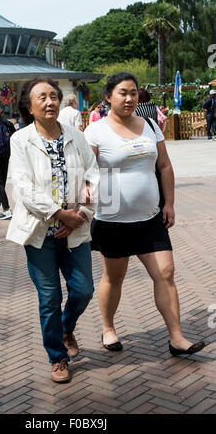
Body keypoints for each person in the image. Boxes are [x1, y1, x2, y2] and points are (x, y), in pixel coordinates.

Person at [84, 72, 205, 357]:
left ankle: (176, 338)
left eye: (134, 93)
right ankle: (108, 327)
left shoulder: (150, 125)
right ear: (108, 97)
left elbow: (164, 166)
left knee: (166, 272)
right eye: (123, 93)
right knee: (114, 278)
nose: (129, 98)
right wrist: (84, 196)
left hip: (150, 217)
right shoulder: (96, 132)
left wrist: (170, 204)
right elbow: (85, 174)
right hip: (112, 218)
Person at [6, 76, 99, 383]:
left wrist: (81, 214)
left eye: (54, 96)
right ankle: (57, 357)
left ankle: (65, 327)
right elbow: (23, 186)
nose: (49, 102)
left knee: (84, 290)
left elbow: (94, 175)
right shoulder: (21, 140)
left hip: (76, 228)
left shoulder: (76, 135)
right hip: (40, 232)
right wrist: (60, 214)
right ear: (29, 107)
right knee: (49, 297)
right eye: (42, 98)